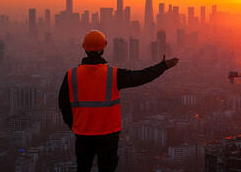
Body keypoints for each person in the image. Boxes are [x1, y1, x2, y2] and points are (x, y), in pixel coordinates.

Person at [58, 30, 179, 172]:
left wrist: (74, 125)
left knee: (83, 168)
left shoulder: (72, 75)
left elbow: (63, 104)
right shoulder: (113, 75)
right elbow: (140, 76)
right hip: (108, 135)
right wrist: (162, 66)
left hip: (83, 134)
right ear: (103, 49)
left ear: (85, 49)